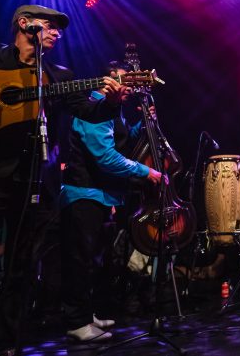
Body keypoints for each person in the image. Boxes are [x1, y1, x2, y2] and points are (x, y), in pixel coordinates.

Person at [0, 5, 124, 356]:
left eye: (59, 29)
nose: (57, 33)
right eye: (49, 26)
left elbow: (88, 110)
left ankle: (5, 346)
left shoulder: (57, 74)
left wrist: (112, 103)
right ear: (24, 24)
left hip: (32, 185)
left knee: (21, 273)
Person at [59, 61, 165, 343]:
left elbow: (122, 141)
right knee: (80, 259)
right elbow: (105, 157)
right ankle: (75, 321)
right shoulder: (93, 108)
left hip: (101, 194)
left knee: (94, 259)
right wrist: (147, 172)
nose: (128, 90)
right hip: (84, 193)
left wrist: (143, 124)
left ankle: (85, 314)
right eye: (124, 83)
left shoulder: (112, 110)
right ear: (109, 81)